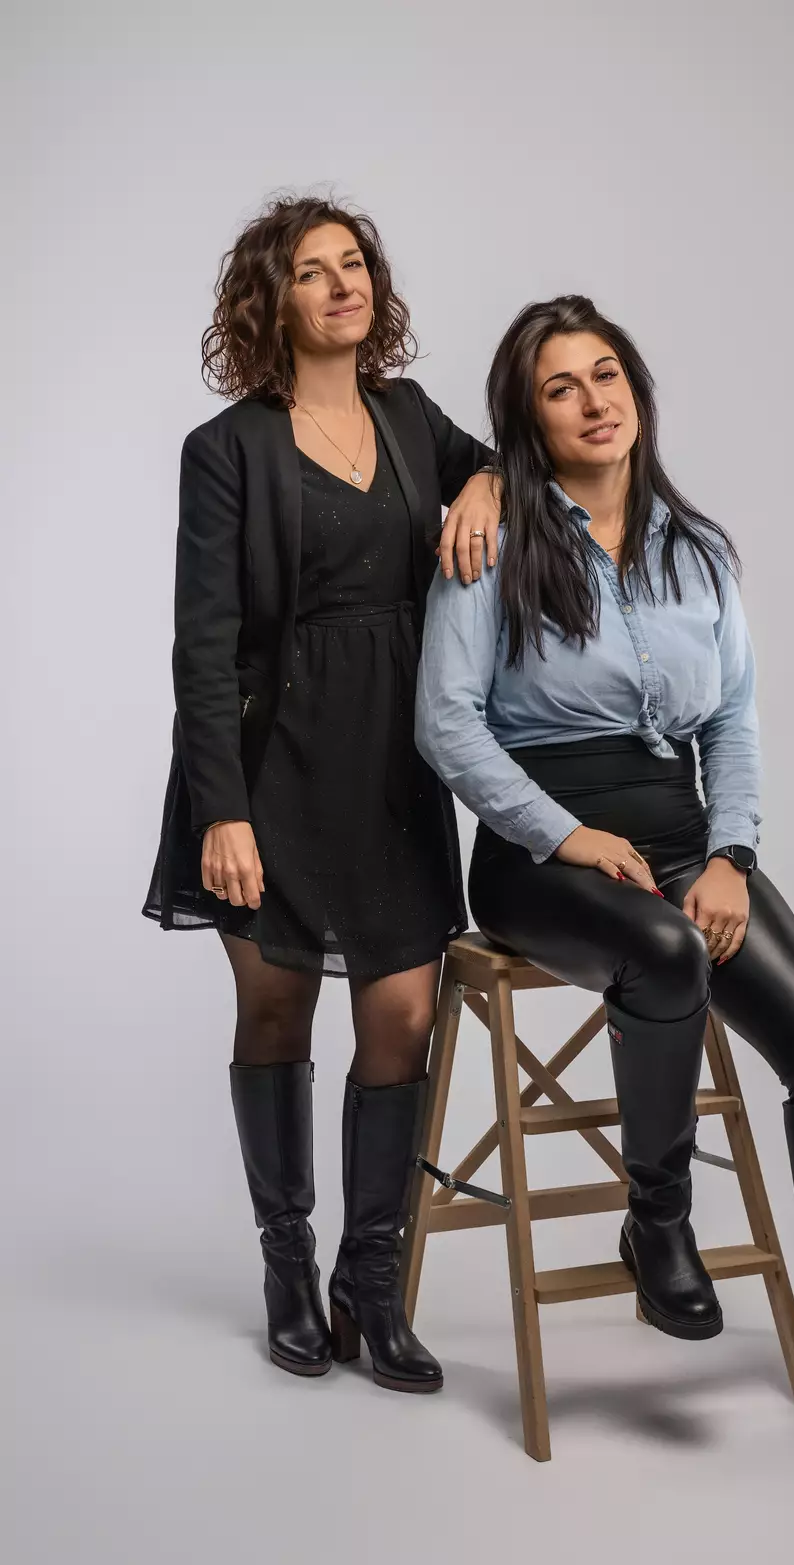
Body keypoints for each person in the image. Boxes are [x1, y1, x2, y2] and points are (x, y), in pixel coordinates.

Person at [414, 294, 794, 1460]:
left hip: (683, 841)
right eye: (559, 387)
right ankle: (655, 1218)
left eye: (605, 375)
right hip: (535, 858)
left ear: (636, 390)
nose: (592, 401)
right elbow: (446, 724)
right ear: (527, 418)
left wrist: (729, 855)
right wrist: (564, 835)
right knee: (665, 953)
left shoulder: (696, 550)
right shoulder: (492, 542)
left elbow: (731, 721)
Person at [143, 195, 501, 1392]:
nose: (344, 284)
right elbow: (203, 648)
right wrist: (222, 811)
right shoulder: (226, 448)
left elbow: (495, 462)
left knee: (402, 1016)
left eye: (355, 265)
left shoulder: (407, 414)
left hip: (396, 761)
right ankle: (287, 1265)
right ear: (273, 298)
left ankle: (371, 1281)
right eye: (313, 270)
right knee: (277, 1011)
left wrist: (484, 488)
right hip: (272, 766)